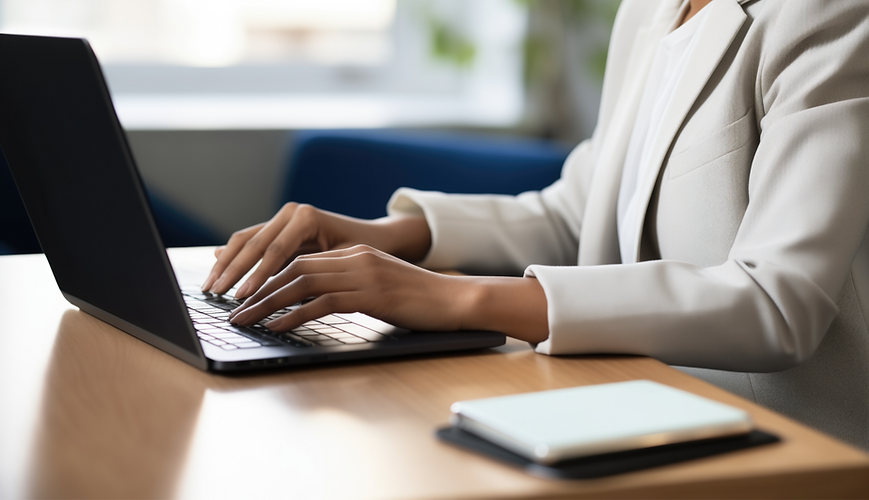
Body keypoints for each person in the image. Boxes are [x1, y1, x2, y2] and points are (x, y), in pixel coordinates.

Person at [203, 0, 869, 449]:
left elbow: (776, 303)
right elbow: (576, 211)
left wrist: (457, 298)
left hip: (790, 439)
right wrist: (390, 236)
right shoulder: (650, 9)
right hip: (633, 402)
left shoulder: (831, 19)